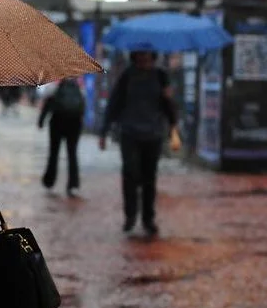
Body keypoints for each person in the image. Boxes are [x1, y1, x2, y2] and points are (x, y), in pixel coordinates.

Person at [99, 51, 178, 236]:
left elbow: (169, 107)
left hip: (153, 134)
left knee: (149, 178)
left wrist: (172, 122)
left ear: (152, 56)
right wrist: (104, 131)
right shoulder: (127, 75)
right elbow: (114, 103)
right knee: (130, 173)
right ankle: (130, 215)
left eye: (147, 55)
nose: (144, 57)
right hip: (130, 133)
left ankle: (148, 218)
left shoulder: (161, 76)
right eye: (141, 54)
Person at [38, 78, 84, 196]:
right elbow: (82, 106)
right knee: (72, 154)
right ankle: (73, 184)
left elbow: (48, 103)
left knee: (54, 153)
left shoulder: (55, 85)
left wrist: (41, 121)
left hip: (57, 123)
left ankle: (49, 181)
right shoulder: (78, 86)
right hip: (75, 124)